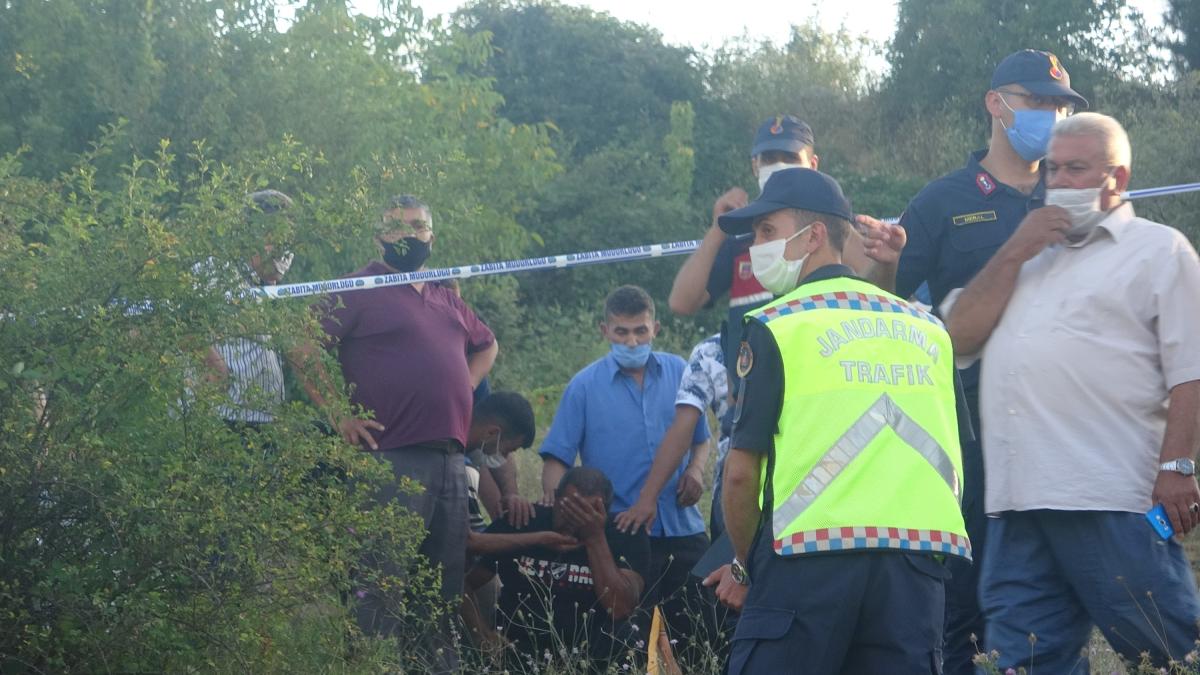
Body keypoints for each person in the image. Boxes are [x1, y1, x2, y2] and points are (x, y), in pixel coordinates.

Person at [859, 49, 1088, 673]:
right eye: (1039, 102)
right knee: (962, 607)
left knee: (1054, 608)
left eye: (1061, 105)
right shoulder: (943, 201)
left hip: (1064, 432)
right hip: (968, 441)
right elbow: (883, 303)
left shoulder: (1077, 191)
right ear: (997, 104)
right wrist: (882, 258)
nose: (1053, 115)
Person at [945, 112, 1200, 671]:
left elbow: (1191, 369)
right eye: (1053, 170)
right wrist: (1014, 251)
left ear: (1119, 177)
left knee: (1172, 653)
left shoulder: (1161, 251)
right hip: (1015, 505)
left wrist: (1178, 466)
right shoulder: (1026, 260)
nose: (1059, 182)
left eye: (1077, 169)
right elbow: (956, 335)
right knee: (1025, 661)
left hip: (1111, 497)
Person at [714, 167, 969, 674]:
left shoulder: (775, 326)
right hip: (917, 569)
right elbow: (961, 450)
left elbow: (740, 473)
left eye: (767, 231)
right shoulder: (930, 329)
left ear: (813, 237)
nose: (755, 247)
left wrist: (745, 565)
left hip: (806, 563)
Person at [294, 193, 498, 673]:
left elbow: (488, 345)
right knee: (377, 584)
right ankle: (364, 665)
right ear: (380, 236)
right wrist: (338, 415)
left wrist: (464, 387)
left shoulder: (446, 296)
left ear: (432, 235)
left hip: (449, 460)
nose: (410, 234)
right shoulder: (357, 287)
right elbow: (302, 346)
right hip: (389, 456)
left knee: (441, 586)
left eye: (419, 226)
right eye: (399, 226)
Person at [539, 285, 711, 660]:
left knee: (699, 637)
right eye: (622, 332)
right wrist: (558, 518)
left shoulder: (681, 372)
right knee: (628, 645)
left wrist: (696, 470)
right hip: (620, 537)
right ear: (605, 331)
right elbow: (557, 460)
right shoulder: (583, 387)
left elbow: (701, 438)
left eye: (640, 331)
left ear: (656, 329)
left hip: (682, 527)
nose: (632, 341)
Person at [463, 467, 651, 673]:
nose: (575, 519)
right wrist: (481, 634)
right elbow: (461, 581)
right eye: (568, 509)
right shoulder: (524, 520)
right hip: (521, 652)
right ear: (554, 500)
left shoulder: (624, 532)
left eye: (587, 512)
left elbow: (620, 607)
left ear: (604, 512)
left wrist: (595, 537)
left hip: (595, 656)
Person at [199, 189, 295, 429]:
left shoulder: (265, 275)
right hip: (221, 413)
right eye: (276, 236)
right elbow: (177, 323)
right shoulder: (213, 270)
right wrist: (215, 366)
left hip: (264, 413)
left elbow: (271, 273)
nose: (284, 250)